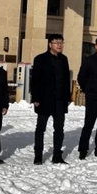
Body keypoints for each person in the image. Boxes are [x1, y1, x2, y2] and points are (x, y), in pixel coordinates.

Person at [31, 34, 71, 165]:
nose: (59, 45)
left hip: (60, 100)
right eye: (56, 43)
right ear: (50, 44)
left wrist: (67, 97)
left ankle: (57, 156)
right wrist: (36, 98)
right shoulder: (40, 59)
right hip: (44, 99)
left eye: (61, 42)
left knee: (59, 129)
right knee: (40, 128)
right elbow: (35, 80)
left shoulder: (64, 59)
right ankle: (38, 156)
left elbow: (66, 80)